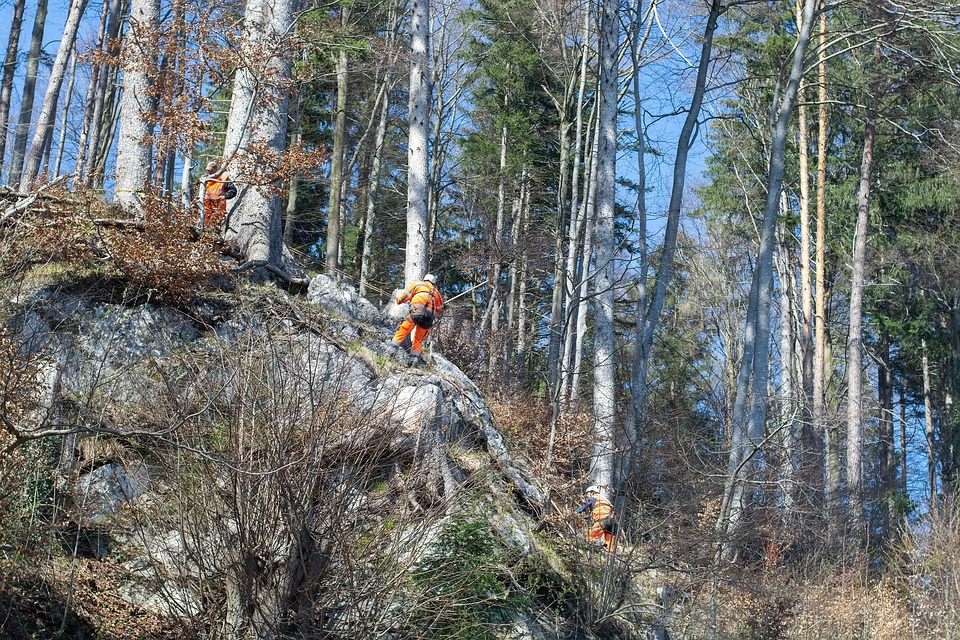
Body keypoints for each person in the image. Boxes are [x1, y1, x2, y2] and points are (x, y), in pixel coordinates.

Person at [386, 273, 444, 366]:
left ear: (424, 279)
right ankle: (413, 362)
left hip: (415, 314)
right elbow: (440, 308)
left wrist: (399, 300)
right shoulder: (436, 292)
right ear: (433, 283)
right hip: (428, 319)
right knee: (419, 340)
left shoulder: (417, 284)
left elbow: (405, 296)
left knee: (403, 331)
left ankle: (389, 354)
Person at [574, 485, 617, 552]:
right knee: (610, 545)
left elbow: (584, 506)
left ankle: (588, 553)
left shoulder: (593, 498)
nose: (587, 496)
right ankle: (609, 559)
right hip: (613, 522)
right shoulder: (605, 500)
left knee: (590, 537)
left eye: (587, 493)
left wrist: (574, 513)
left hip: (603, 521)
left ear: (592, 492)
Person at [197, 161, 235, 230]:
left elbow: (233, 190)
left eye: (210, 170)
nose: (208, 171)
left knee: (214, 232)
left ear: (215, 169)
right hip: (205, 212)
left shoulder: (223, 178)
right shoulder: (205, 180)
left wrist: (225, 196)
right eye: (207, 170)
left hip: (218, 211)